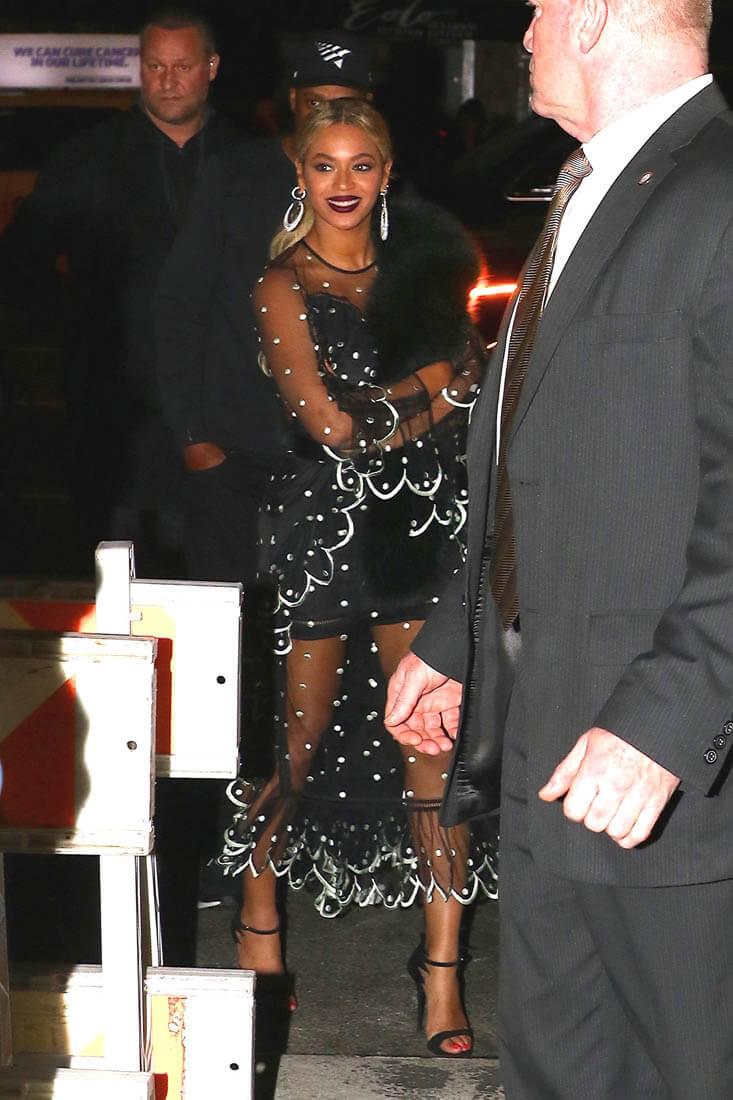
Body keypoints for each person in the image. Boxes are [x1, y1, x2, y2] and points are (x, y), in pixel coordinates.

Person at [385, 0, 733, 1095]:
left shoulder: (719, 194)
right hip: (552, 746)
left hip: (662, 778)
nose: (526, 31)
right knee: (563, 1072)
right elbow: (537, 454)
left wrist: (666, 719)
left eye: (540, 8)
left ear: (594, 18)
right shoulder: (592, 185)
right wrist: (458, 635)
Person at [214, 98, 495, 1056]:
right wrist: (434, 386)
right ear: (300, 175)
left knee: (433, 745)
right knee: (293, 749)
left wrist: (422, 395)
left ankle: (442, 971)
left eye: (361, 165)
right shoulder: (280, 284)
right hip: (321, 538)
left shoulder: (424, 269)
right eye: (324, 165)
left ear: (385, 173)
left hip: (420, 531)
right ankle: (258, 936)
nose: (343, 183)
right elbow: (332, 428)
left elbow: (474, 382)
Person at [154, 30, 376, 910]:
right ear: (291, 98)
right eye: (315, 95)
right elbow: (179, 302)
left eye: (345, 97)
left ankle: (313, 835)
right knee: (229, 654)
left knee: (327, 659)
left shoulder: (379, 184)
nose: (327, 110)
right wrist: (192, 435)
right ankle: (220, 843)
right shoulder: (237, 173)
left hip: (335, 467)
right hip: (239, 456)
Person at [0, 6, 238, 576]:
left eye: (182, 66)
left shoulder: (249, 161)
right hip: (116, 424)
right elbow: (21, 262)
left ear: (211, 67)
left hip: (223, 419)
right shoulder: (86, 158)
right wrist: (81, 325)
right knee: (116, 582)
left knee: (213, 579)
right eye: (155, 66)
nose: (167, 80)